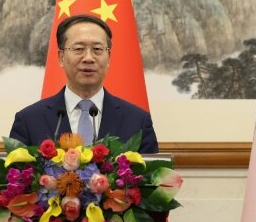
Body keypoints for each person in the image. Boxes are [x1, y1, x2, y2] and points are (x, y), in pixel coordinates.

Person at [10, 14, 157, 153]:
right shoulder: (29, 121)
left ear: (109, 57)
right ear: (61, 57)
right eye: (79, 49)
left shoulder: (137, 122)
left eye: (97, 49)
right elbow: (17, 177)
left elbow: (151, 178)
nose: (88, 58)